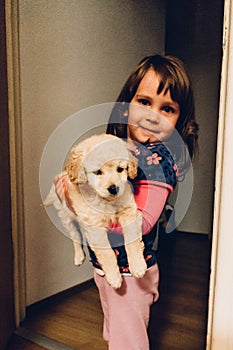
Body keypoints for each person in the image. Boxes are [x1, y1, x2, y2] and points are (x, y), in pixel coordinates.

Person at [55, 54, 198, 350]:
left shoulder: (159, 161)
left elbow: (142, 222)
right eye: (144, 102)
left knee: (128, 341)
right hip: (106, 266)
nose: (152, 115)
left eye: (167, 108)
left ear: (180, 120)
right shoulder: (119, 148)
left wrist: (77, 201)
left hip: (131, 274)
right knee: (115, 329)